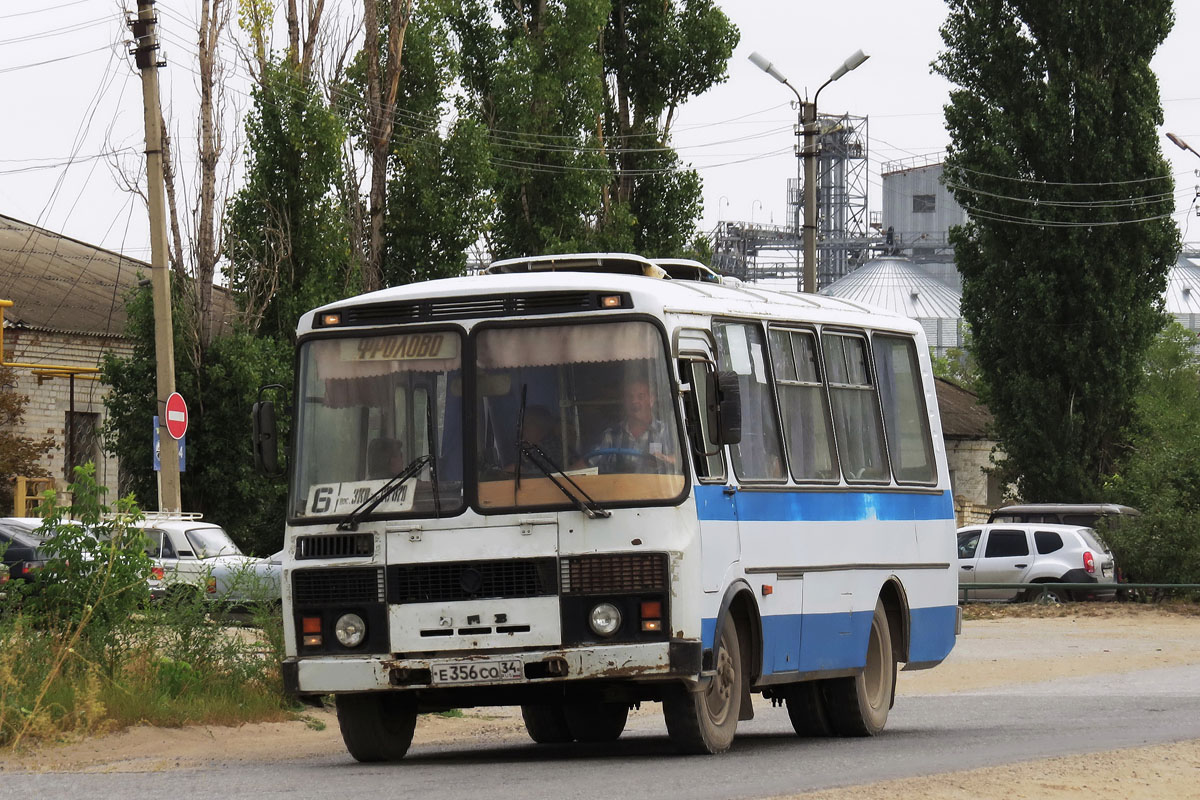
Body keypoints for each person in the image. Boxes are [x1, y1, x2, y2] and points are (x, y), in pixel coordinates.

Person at [592, 378, 678, 474]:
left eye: (640, 396)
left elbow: (684, 460)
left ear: (651, 400)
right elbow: (589, 461)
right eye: (630, 397)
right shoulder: (611, 435)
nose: (634, 401)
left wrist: (665, 459)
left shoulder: (665, 431)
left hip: (657, 488)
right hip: (620, 488)